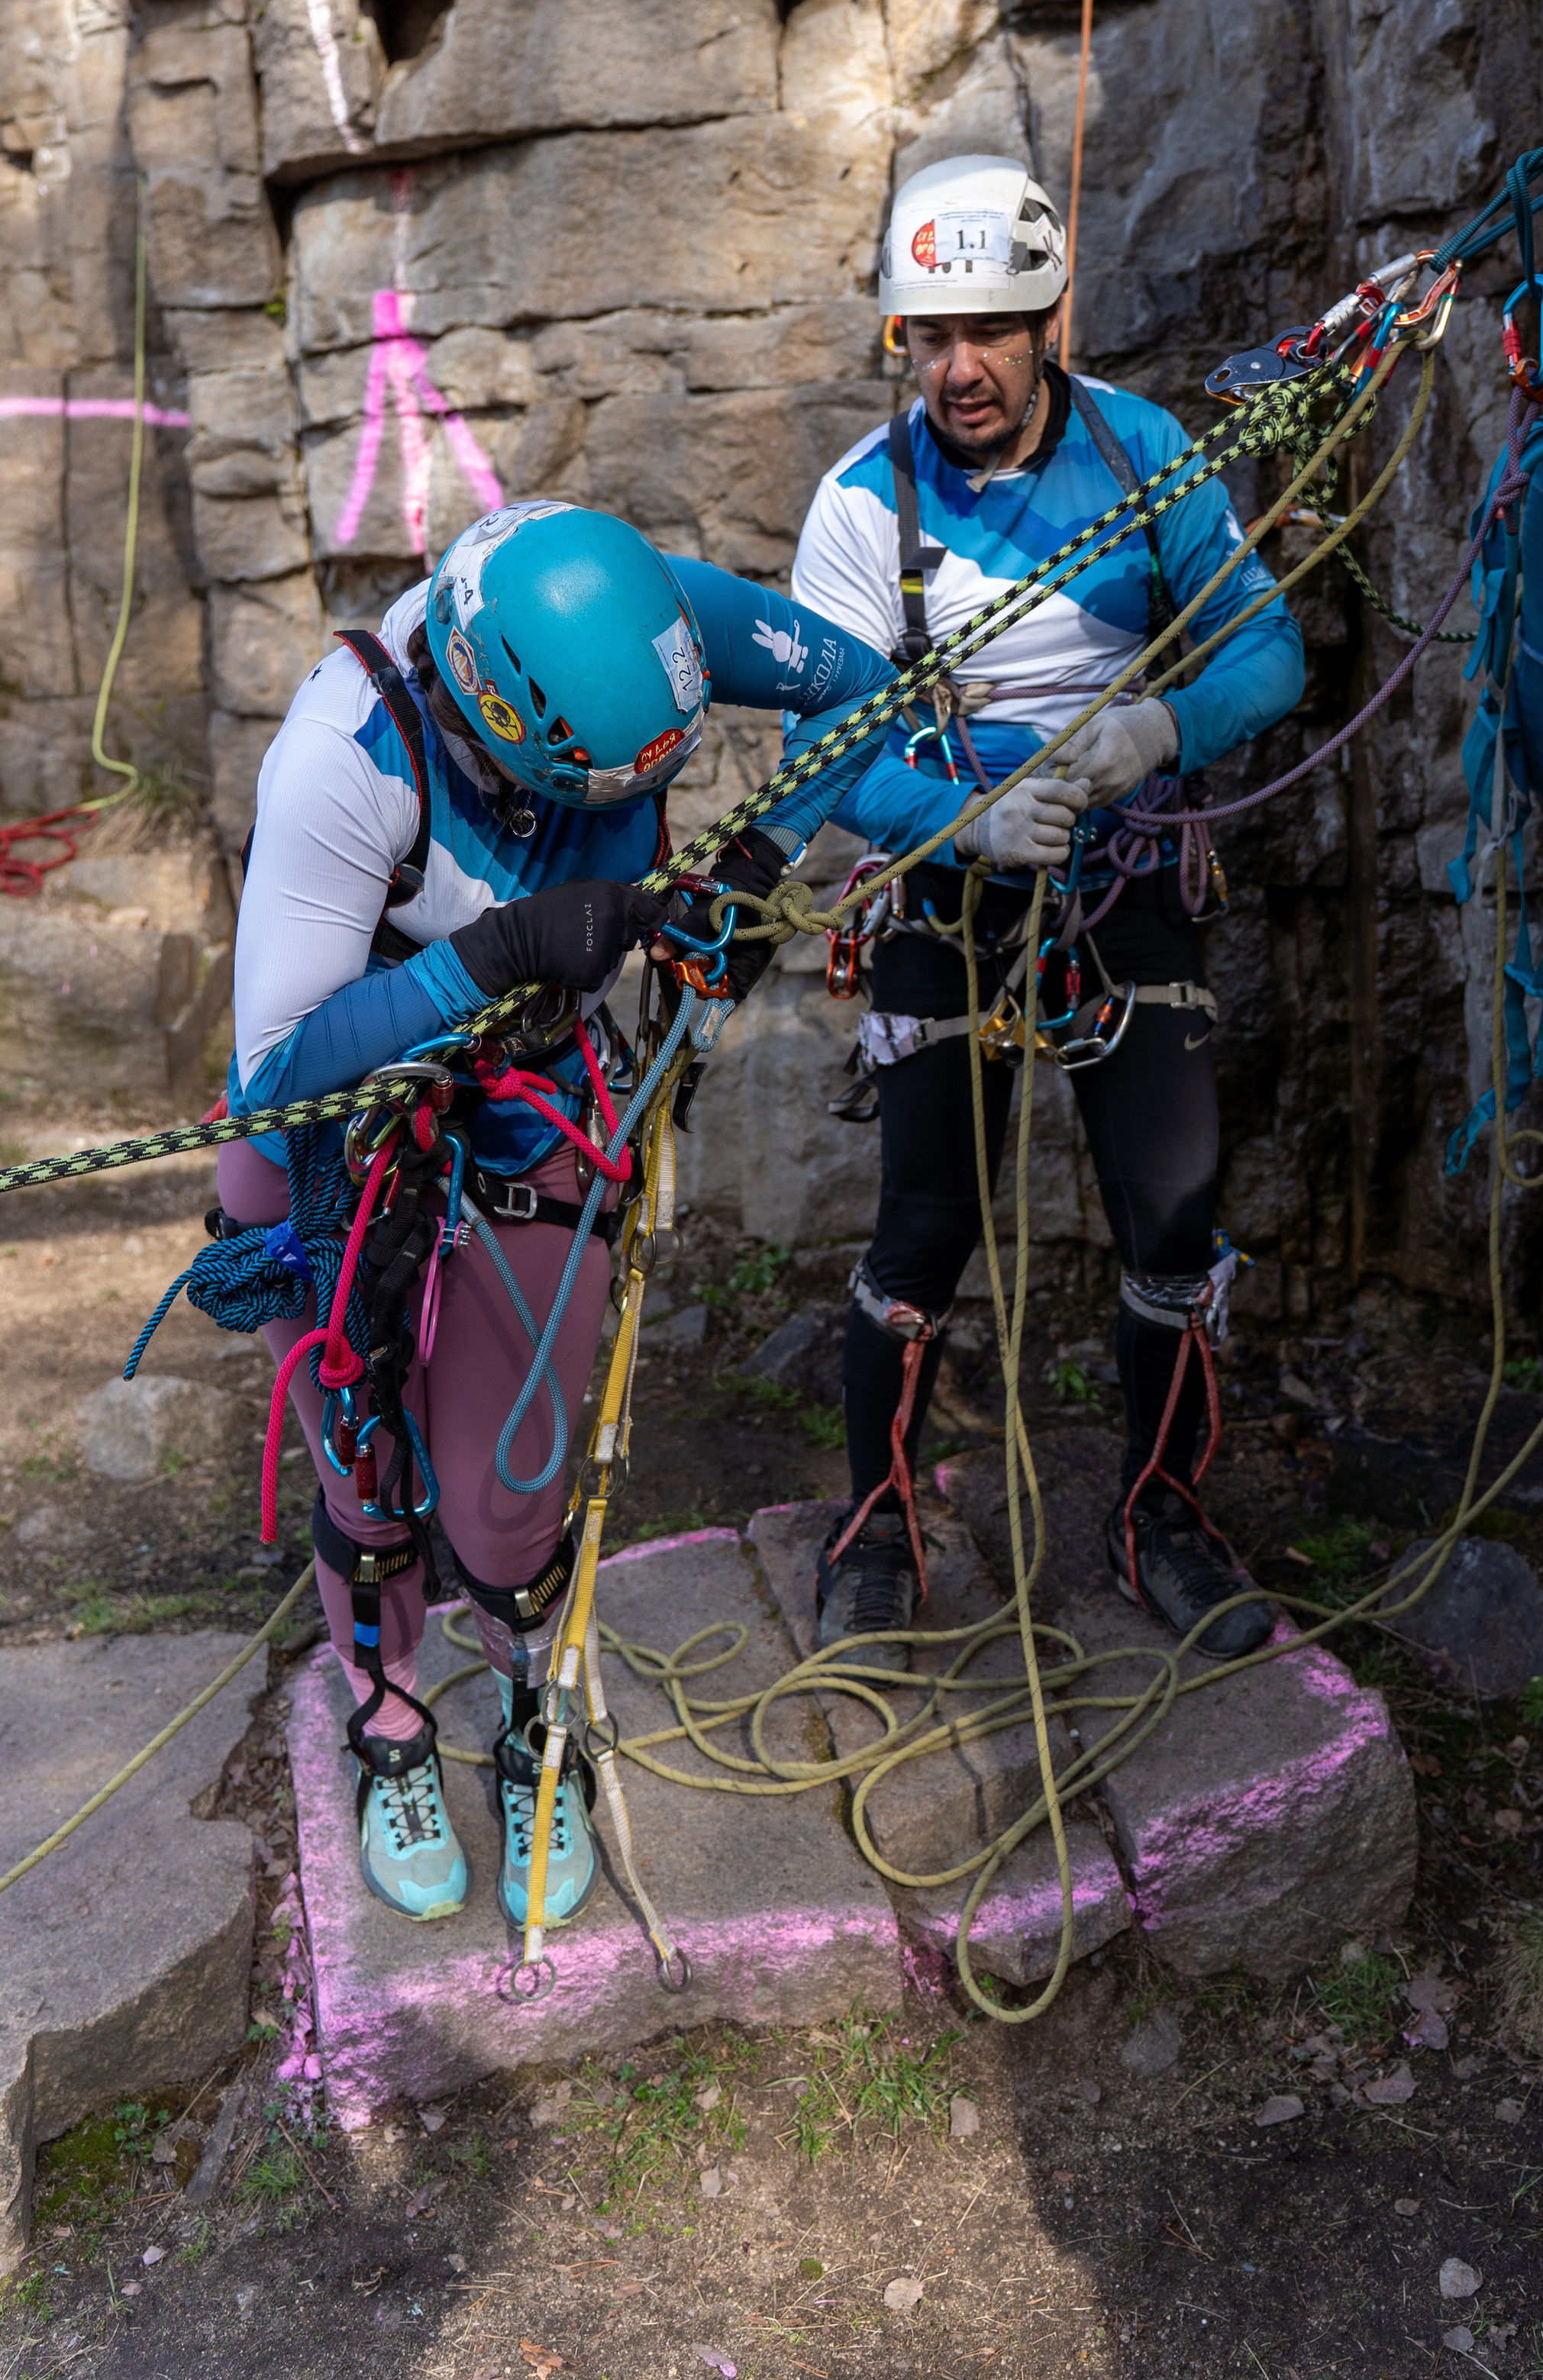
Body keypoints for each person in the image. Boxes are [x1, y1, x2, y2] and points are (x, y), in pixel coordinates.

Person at [221, 499, 896, 1926]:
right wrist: (502, 949)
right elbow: (278, 1072)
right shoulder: (345, 758)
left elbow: (862, 685)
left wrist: (758, 862)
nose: (602, 825)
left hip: (540, 1108)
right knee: (365, 1457)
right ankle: (392, 1721)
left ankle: (537, 1711)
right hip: (336, 1140)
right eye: (575, 798)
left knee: (511, 1485)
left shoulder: (650, 622)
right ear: (488, 720)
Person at [789, 156, 1307, 1668]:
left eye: (990, 332)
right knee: (924, 1224)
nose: (956, 368)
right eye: (925, 339)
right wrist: (946, 814)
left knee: (1169, 1205)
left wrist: (1158, 734)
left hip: (1118, 869)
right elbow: (814, 756)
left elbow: (1265, 649)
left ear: (1046, 319)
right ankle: (872, 1526)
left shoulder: (1141, 457)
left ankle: (1161, 1516)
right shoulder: (856, 508)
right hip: (942, 888)